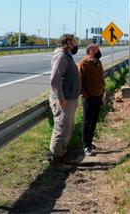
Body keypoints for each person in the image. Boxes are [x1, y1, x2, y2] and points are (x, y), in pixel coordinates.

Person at [47, 34, 81, 166]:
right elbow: (54, 79)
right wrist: (61, 98)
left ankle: (62, 153)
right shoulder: (61, 57)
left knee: (68, 127)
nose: (76, 45)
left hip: (69, 98)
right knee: (62, 127)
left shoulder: (67, 56)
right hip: (63, 99)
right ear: (67, 43)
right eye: (75, 42)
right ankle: (56, 156)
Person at [78, 43, 106, 156]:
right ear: (90, 51)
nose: (98, 51)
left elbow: (101, 78)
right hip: (89, 97)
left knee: (94, 121)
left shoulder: (98, 62)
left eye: (98, 49)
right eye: (96, 50)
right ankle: (85, 146)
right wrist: (85, 94)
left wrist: (103, 93)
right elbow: (79, 80)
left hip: (98, 95)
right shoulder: (84, 63)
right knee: (87, 121)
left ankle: (89, 143)